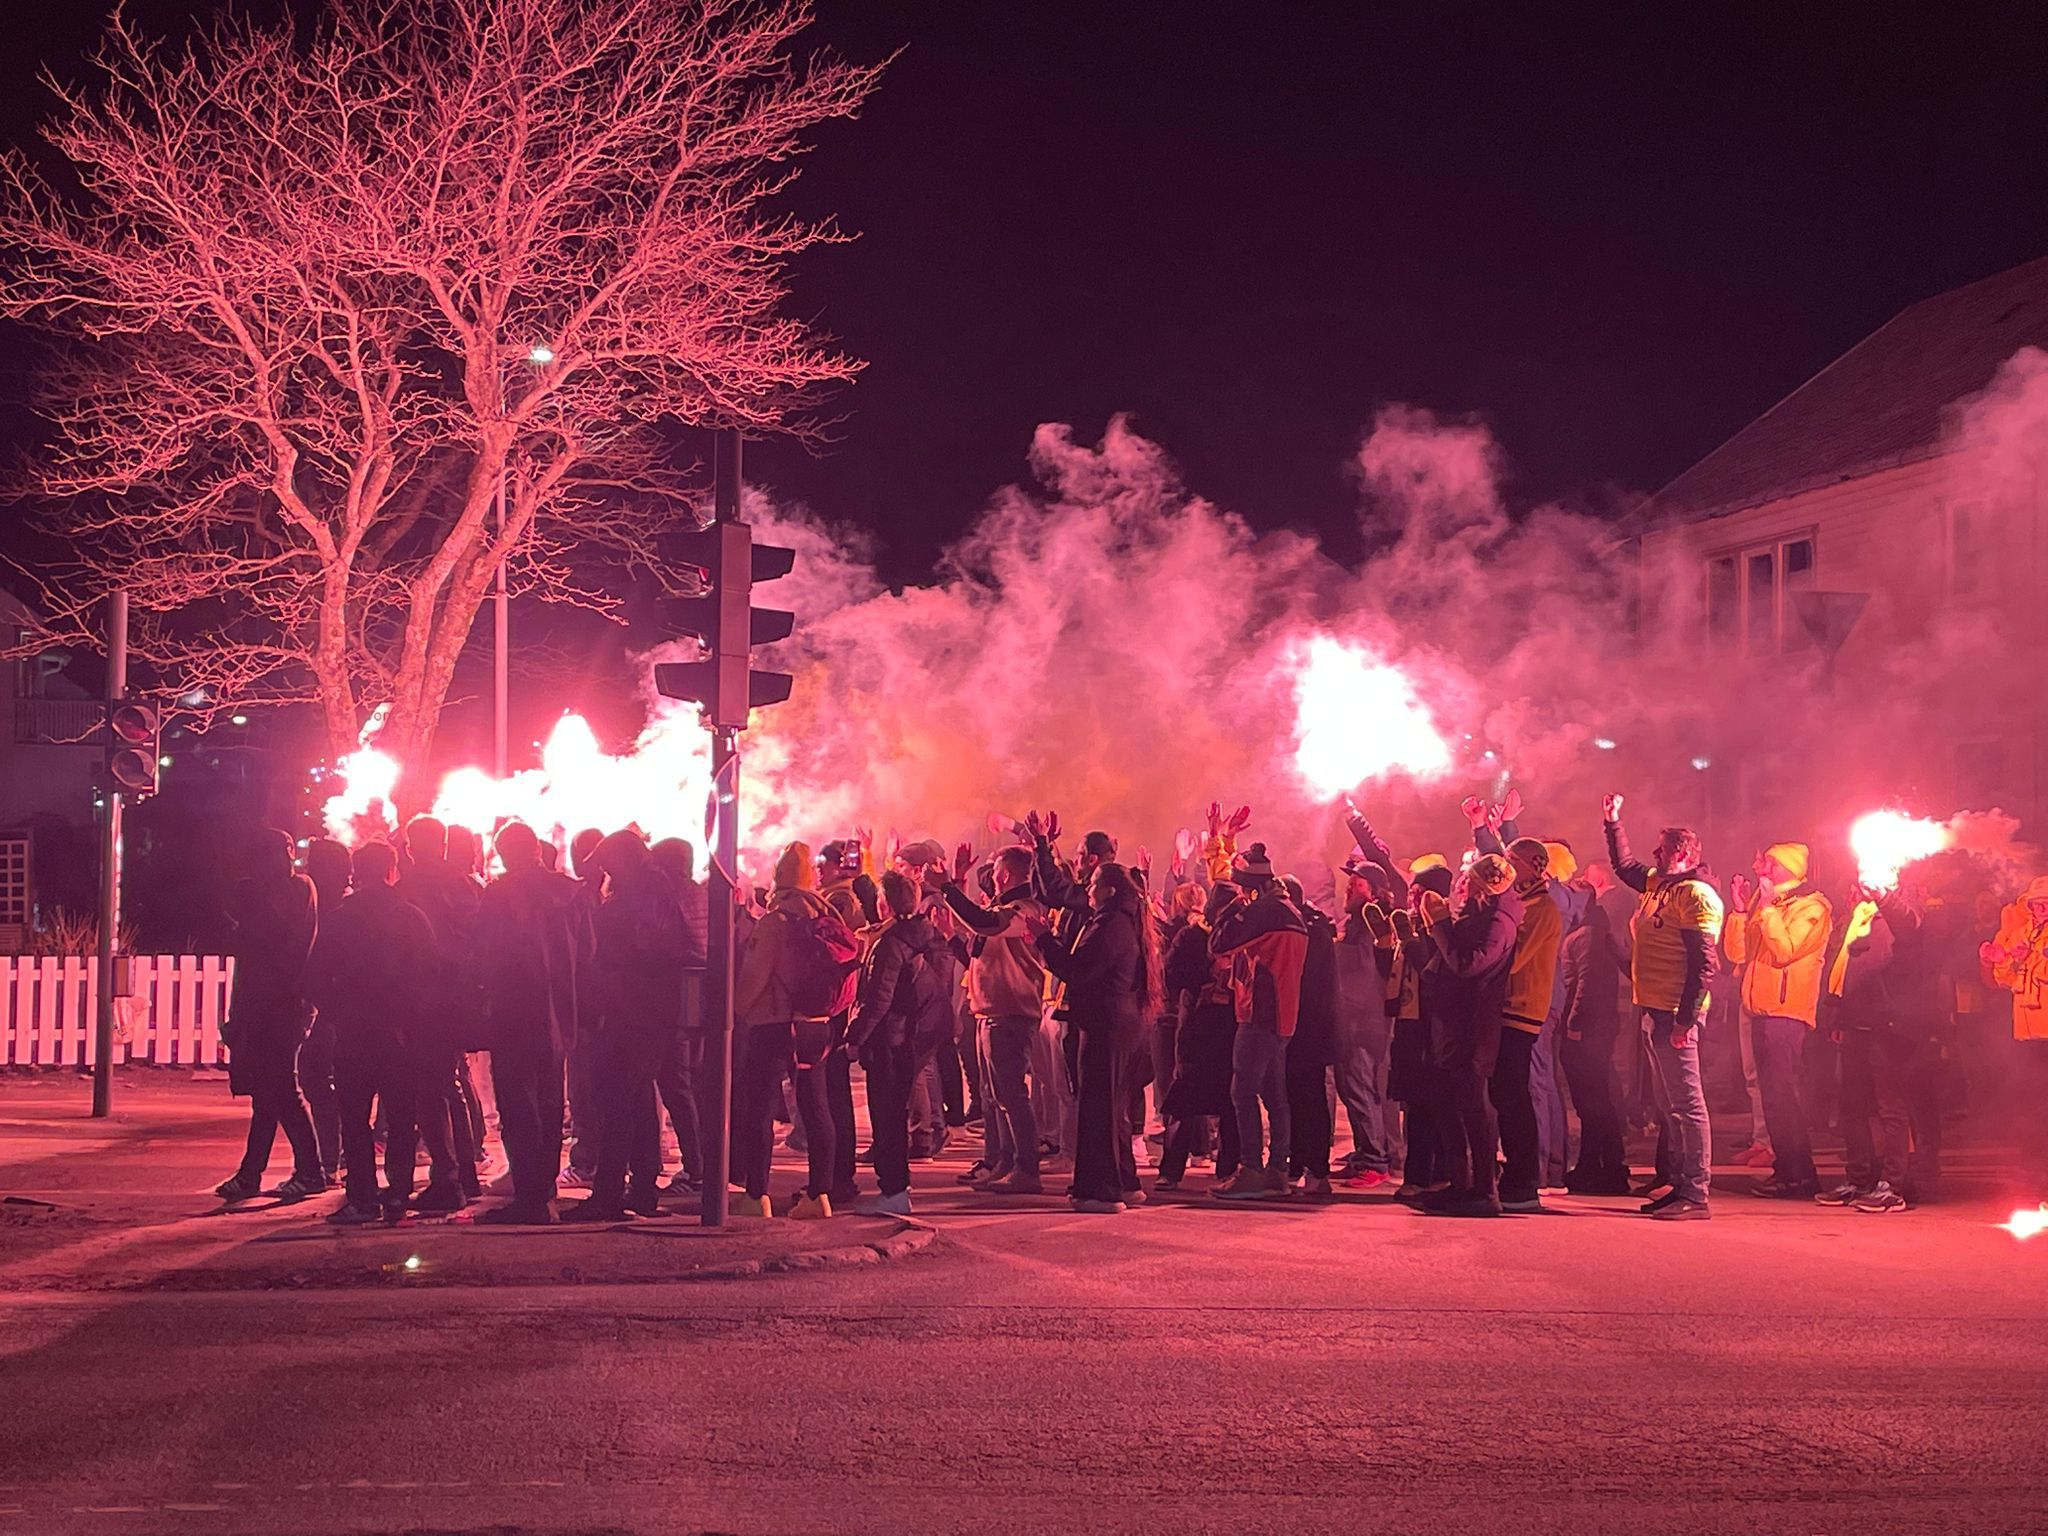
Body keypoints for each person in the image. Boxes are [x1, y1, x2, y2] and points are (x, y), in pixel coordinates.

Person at [305, 841, 439, 1225]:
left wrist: (338, 1011)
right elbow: (431, 976)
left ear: (356, 872)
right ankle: (398, 1194)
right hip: (401, 1036)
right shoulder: (412, 917)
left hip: (355, 1033)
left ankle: (362, 1195)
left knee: (355, 1118)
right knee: (400, 1118)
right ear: (392, 869)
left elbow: (312, 978)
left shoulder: (340, 918)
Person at [1604, 794, 1722, 1221]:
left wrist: (1685, 1020)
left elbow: (1704, 964)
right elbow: (1625, 867)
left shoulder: (1696, 895)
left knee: (1689, 1106)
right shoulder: (1661, 883)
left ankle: (1697, 1193)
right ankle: (1678, 1183)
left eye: (1664, 849)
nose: (1655, 855)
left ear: (1685, 854)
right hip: (1655, 1008)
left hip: (1675, 1012)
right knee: (1672, 1105)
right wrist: (1613, 822)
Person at [477, 821, 594, 1223]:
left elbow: (485, 954)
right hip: (561, 1014)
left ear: (507, 854)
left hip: (514, 1012)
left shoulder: (499, 894)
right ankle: (544, 1191)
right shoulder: (573, 893)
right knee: (549, 1105)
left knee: (517, 1106)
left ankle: (530, 1197)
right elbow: (589, 954)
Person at [565, 831, 685, 1222]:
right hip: (653, 1017)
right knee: (637, 1103)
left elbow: (602, 960)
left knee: (615, 1106)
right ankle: (643, 1188)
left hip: (622, 1018)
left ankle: (609, 1193)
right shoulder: (661, 897)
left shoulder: (624, 907)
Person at [734, 842, 858, 1219]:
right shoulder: (828, 914)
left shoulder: (776, 922)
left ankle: (757, 1196)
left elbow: (755, 980)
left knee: (759, 1110)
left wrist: (736, 1013)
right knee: (817, 1107)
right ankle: (819, 1195)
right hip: (817, 1026)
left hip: (774, 1026)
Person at [1025, 861, 1158, 1213]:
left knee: (1098, 1108)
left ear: (1110, 891)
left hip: (1107, 1024)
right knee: (1113, 1108)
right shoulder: (1123, 920)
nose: (1087, 889)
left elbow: (1078, 969)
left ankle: (1101, 1190)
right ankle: (1123, 1181)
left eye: (1093, 884)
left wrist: (1043, 939)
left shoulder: (1111, 924)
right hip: (1121, 1023)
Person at [215, 828, 324, 1203]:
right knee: (267, 1093)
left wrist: (252, 903)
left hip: (284, 1003)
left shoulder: (297, 889)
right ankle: (252, 1174)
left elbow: (277, 939)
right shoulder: (263, 892)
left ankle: (311, 1171)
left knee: (282, 1089)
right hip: (261, 1003)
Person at [1724, 842, 1833, 1200]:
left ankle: (1800, 1176)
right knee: (1772, 1099)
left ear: (1790, 868)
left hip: (1786, 1014)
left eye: (1771, 862)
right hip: (1761, 1011)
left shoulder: (1812, 907)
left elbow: (1785, 950)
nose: (1762, 867)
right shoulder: (1765, 902)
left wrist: (1767, 909)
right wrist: (1741, 911)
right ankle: (1787, 1172)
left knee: (1783, 1097)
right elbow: (1737, 954)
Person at [937, 843, 1048, 1193]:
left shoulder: (1025, 909)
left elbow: (986, 925)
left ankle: (1026, 1169)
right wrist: (951, 932)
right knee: (992, 1095)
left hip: (1012, 1011)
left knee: (1011, 1094)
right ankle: (1002, 1160)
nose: (991, 877)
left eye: (994, 870)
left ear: (1005, 874)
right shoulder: (1002, 908)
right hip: (990, 1011)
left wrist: (948, 887)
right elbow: (976, 953)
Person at [1817, 883, 1931, 1213]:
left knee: (1890, 1105)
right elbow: (1844, 970)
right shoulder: (1861, 915)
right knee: (1852, 1105)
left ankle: (1892, 1186)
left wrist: (1885, 895)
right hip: (1856, 1022)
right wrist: (1836, 1017)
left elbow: (1907, 925)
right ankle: (1859, 1179)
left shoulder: (1909, 912)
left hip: (1889, 1025)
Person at [1419, 854, 1522, 1217]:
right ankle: (1461, 1184)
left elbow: (1467, 964)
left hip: (1472, 1027)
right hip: (1453, 1023)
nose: (1461, 887)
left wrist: (1442, 925)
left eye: (1468, 882)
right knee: (1450, 1107)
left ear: (1484, 886)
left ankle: (1485, 1190)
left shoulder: (1498, 921)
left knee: (1474, 1109)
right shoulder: (1479, 915)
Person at [851, 870, 955, 1216]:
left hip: (891, 1040)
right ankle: (896, 1187)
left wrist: (855, 1039)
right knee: (896, 1112)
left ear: (885, 903)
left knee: (888, 1116)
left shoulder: (892, 943)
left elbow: (879, 1000)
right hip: (917, 1036)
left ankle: (893, 1189)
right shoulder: (929, 936)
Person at [1209, 843, 1308, 1201]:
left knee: (1243, 1090)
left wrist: (1230, 910)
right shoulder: (1287, 908)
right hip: (1282, 1014)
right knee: (1275, 1095)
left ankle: (1251, 1169)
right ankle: (1277, 1170)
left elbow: (1219, 944)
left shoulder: (1264, 911)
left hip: (1261, 1013)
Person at [397, 815, 485, 1200]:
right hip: (459, 998)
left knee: (430, 1091)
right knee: (451, 1086)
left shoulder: (408, 888)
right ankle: (465, 1173)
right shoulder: (465, 884)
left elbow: (400, 947)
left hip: (422, 1000)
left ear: (411, 847)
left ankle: (446, 1179)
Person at [1493, 837, 1564, 1212]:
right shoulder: (1521, 902)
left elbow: (1514, 956)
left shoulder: (1540, 907)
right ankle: (1515, 1176)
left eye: (1511, 862)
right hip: (1507, 1007)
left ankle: (1524, 1181)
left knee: (1513, 1095)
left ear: (1531, 866)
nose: (1505, 868)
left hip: (1521, 1008)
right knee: (1505, 1094)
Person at [1157, 881, 1242, 1190]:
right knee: (1183, 1099)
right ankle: (1171, 1170)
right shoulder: (1192, 936)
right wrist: (1207, 971)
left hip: (1229, 1028)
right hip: (1197, 1027)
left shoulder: (1242, 937)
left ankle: (1228, 1169)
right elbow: (1171, 975)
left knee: (1231, 1100)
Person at [1558, 867, 1631, 1194]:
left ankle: (1609, 1169)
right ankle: (1593, 1165)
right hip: (1594, 1025)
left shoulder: (1587, 935)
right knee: (1591, 1100)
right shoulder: (1589, 931)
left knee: (1594, 1099)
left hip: (1589, 1029)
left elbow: (1586, 984)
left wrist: (1574, 1024)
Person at [1983, 875, 2048, 1196]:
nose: (2042, 909)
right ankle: (2033, 1172)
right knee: (2031, 1102)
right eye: (2037, 903)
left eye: (2047, 903)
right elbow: (2004, 979)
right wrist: (2000, 961)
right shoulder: (2019, 933)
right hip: (2026, 1032)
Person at [651, 838, 709, 1198]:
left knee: (676, 1084)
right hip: (703, 994)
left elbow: (667, 947)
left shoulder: (668, 898)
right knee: (691, 1084)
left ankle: (697, 1169)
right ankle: (701, 1165)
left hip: (676, 996)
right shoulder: (703, 895)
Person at [298, 836, 353, 1185]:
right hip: (335, 1006)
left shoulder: (326, 908)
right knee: (327, 1083)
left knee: (319, 1082)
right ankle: (333, 1160)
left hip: (327, 1007)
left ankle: (327, 1162)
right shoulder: (338, 905)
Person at [1283, 873, 1340, 1197]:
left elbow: (1304, 979)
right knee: (1297, 1096)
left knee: (1309, 1098)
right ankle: (1299, 1163)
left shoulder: (1311, 931)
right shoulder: (1312, 926)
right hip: (1305, 1022)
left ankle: (1317, 1168)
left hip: (1309, 1024)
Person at [562, 827, 608, 1188]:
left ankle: (586, 1162)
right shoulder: (616, 895)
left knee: (585, 1089)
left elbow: (582, 958)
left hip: (588, 1009)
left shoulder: (582, 898)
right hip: (615, 1009)